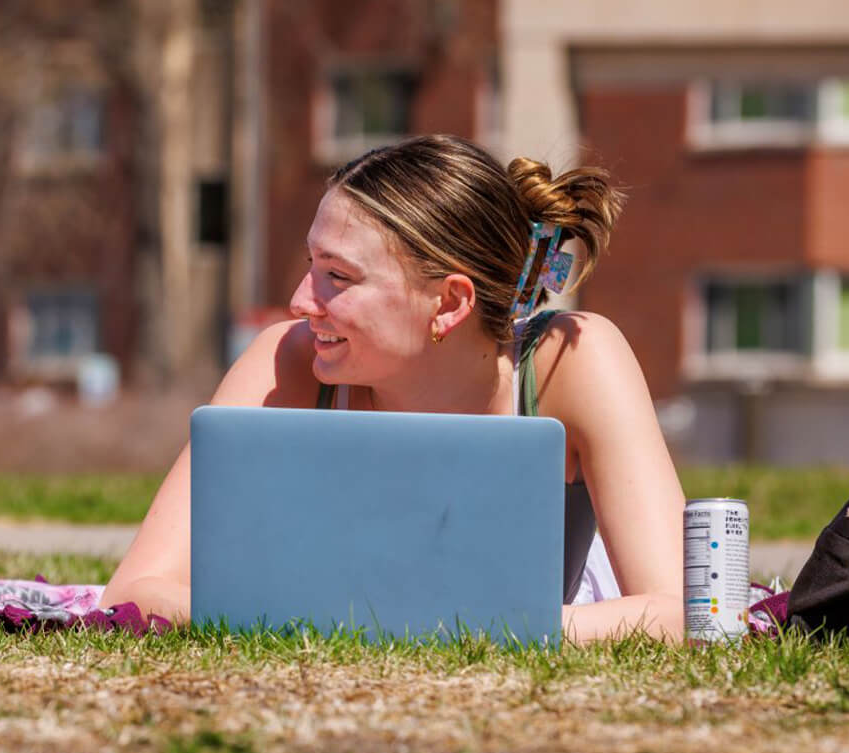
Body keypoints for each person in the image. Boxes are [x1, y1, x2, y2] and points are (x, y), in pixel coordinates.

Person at [103, 135, 685, 643]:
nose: (302, 301)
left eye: (339, 277)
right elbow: (132, 592)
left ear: (450, 303)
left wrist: (488, 629)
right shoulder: (289, 361)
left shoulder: (573, 361)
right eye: (311, 265)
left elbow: (687, 612)